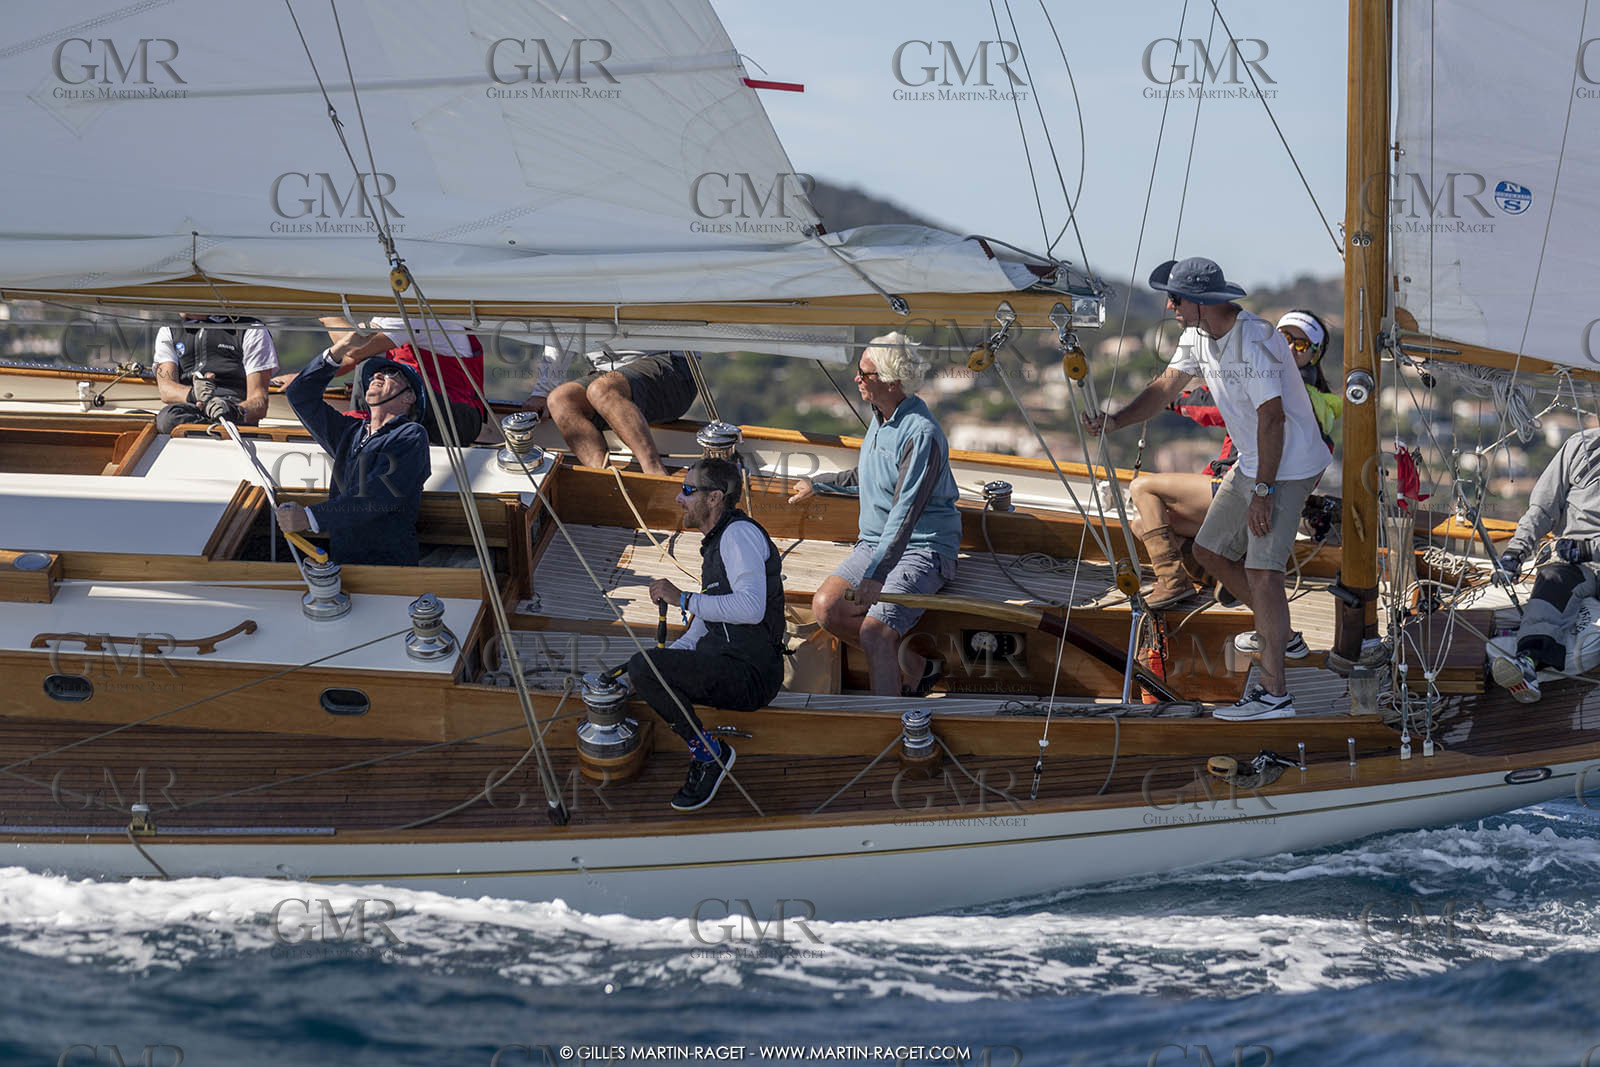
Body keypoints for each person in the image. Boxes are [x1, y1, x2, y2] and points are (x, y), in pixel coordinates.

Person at [1085, 257, 1332, 720]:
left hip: (1288, 465)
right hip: (1255, 459)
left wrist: (1262, 491)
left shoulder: (1254, 341)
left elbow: (1272, 418)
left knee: (1264, 573)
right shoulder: (1197, 336)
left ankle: (1274, 693)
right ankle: (1275, 629)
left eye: (1176, 298)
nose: (1169, 306)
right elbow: (1164, 388)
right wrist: (1115, 422)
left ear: (1199, 301)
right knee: (1211, 551)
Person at [1130, 309, 1342, 611]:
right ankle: (1222, 577)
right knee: (1144, 523)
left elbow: (1213, 404)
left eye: (1302, 345)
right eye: (1284, 338)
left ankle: (1175, 582)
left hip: (1247, 491)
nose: (1291, 348)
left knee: (1144, 489)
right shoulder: (1318, 404)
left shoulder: (1292, 394)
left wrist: (1171, 398)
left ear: (1315, 355)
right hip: (1261, 503)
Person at [791, 332, 961, 697]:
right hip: (875, 543)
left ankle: (886, 726)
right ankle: (915, 667)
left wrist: (876, 575)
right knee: (826, 608)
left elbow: (906, 512)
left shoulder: (922, 434)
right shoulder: (880, 418)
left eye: (864, 373)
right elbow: (867, 476)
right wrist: (818, 485)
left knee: (874, 633)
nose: (857, 379)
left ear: (891, 382)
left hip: (924, 550)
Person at [626, 458, 786, 811]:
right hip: (728, 664)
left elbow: (750, 608)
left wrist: (681, 598)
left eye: (687, 490)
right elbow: (700, 629)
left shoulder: (738, 535)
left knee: (646, 666)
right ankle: (703, 746)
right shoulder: (718, 544)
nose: (678, 499)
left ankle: (709, 753)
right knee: (642, 666)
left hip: (751, 674)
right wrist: (646, 673)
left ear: (714, 497)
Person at [278, 347, 431, 566]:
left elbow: (377, 495)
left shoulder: (412, 435)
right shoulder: (349, 432)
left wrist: (311, 517)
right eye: (374, 375)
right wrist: (337, 352)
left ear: (409, 397)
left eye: (390, 373)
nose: (377, 376)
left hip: (391, 572)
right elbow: (299, 394)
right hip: (344, 565)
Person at [1490, 427, 1600, 702]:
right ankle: (1528, 662)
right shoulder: (1580, 447)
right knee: (1552, 580)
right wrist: (1515, 553)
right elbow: (1541, 509)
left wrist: (1590, 548)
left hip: (1585, 552)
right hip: (1578, 564)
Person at [272, 314, 487, 446]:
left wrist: (327, 314)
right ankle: (363, 431)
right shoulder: (392, 314)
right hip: (435, 410)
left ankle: (362, 434)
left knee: (368, 364)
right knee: (370, 366)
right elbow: (348, 357)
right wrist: (305, 378)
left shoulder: (412, 310)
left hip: (456, 418)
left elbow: (356, 349)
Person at [521, 348, 698, 475]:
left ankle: (655, 473)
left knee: (602, 390)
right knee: (560, 400)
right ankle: (605, 478)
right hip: (609, 375)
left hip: (671, 369)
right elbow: (561, 330)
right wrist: (542, 392)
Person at [152, 313, 277, 434]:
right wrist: (194, 394)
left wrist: (234, 411)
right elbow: (165, 389)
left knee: (168, 420)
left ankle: (213, 429)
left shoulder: (252, 329)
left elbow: (259, 402)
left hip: (234, 413)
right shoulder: (169, 330)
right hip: (192, 409)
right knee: (167, 419)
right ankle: (214, 430)